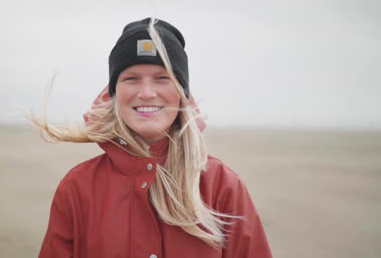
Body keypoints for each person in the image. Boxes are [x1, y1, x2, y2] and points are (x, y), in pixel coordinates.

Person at [31, 17, 272, 258]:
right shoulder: (77, 187)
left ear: (182, 94)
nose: (146, 93)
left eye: (162, 78)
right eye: (131, 78)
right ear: (114, 94)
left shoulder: (221, 185)